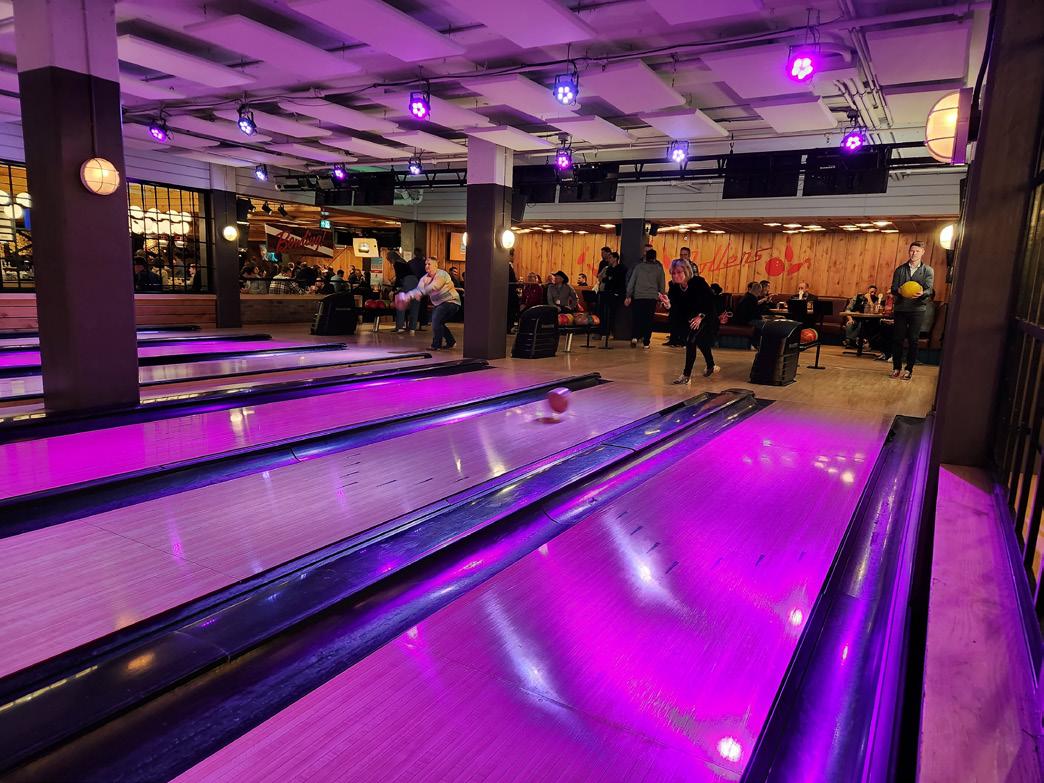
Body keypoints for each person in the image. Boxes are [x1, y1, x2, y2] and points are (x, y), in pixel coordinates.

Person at [659, 260, 721, 384]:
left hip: (706, 316)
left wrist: (700, 316)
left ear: (686, 271)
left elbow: (710, 302)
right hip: (689, 318)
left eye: (679, 272)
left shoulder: (698, 282)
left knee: (690, 340)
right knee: (700, 342)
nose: (675, 276)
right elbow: (675, 307)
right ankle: (711, 365)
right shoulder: (674, 287)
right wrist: (668, 304)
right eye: (673, 273)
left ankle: (686, 375)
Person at [889, 241, 935, 379]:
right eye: (912, 251)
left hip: (917, 309)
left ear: (923, 252)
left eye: (917, 251)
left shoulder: (928, 270)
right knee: (897, 339)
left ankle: (909, 369)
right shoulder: (900, 270)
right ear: (909, 251)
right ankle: (896, 368)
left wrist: (922, 293)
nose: (914, 253)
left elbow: (929, 289)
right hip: (901, 308)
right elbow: (893, 288)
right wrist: (899, 290)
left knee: (913, 340)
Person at [403, 258, 461, 351]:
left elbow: (435, 286)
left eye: (429, 264)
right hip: (439, 304)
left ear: (435, 265)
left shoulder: (442, 274)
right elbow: (418, 290)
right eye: (426, 264)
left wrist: (420, 292)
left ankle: (436, 345)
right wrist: (408, 296)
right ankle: (451, 342)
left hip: (451, 301)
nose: (426, 266)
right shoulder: (424, 278)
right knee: (439, 323)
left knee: (436, 321)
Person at [625, 248, 666, 349]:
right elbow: (662, 284)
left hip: (639, 296)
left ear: (646, 257)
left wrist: (628, 295)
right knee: (648, 319)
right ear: (655, 258)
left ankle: (635, 337)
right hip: (652, 297)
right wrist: (661, 297)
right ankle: (646, 342)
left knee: (637, 317)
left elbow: (632, 282)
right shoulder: (659, 269)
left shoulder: (638, 267)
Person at [597, 251, 626, 339]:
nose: (608, 259)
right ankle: (604, 332)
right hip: (607, 292)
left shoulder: (621, 268)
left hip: (616, 293)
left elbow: (618, 281)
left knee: (612, 314)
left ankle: (611, 332)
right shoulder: (609, 269)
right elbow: (605, 279)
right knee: (604, 313)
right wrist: (609, 279)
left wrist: (609, 279)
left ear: (615, 259)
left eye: (610, 258)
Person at [389, 251, 418, 334]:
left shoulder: (397, 263)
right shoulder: (404, 262)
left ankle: (400, 327)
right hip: (416, 281)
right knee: (414, 305)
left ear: (391, 258)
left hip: (407, 282)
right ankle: (412, 328)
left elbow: (399, 277)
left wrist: (394, 290)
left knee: (401, 304)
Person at [507, 248, 520, 333]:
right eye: (513, 255)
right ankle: (509, 327)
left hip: (510, 292)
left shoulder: (509, 266)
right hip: (510, 293)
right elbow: (512, 281)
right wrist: (517, 283)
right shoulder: (508, 267)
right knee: (511, 310)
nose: (514, 257)